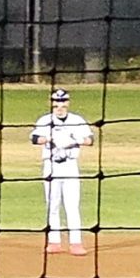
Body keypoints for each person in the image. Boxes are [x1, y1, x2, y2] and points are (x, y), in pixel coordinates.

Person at [31, 86, 97, 256]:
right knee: (52, 204)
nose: (59, 106)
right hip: (51, 166)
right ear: (52, 104)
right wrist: (50, 138)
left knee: (72, 204)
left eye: (62, 102)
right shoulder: (45, 120)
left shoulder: (77, 120)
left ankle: (76, 242)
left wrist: (75, 140)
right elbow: (34, 138)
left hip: (70, 165)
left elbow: (90, 140)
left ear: (67, 103)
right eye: (56, 103)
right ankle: (54, 241)